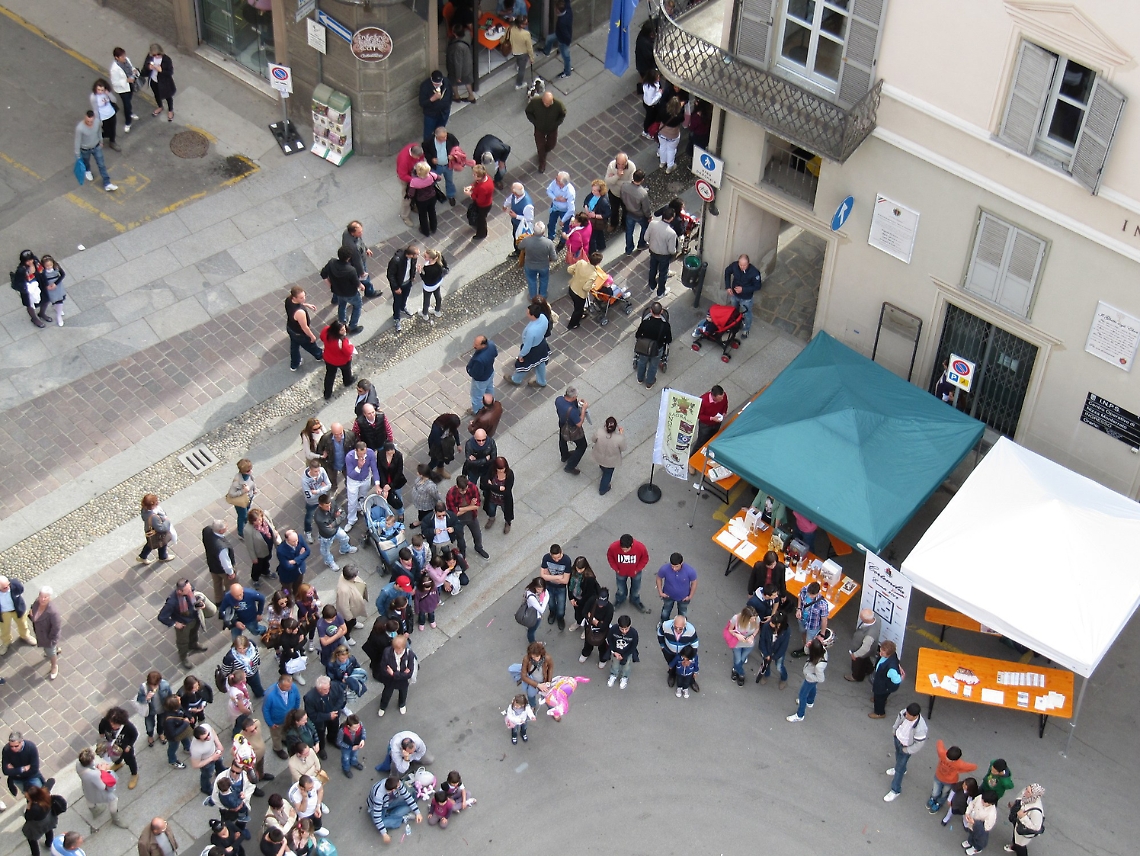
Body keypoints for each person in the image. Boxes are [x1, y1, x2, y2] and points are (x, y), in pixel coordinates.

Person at [883, 702, 929, 801]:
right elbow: (898, 720)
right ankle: (901, 769)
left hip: (906, 747)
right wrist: (894, 730)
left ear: (916, 716)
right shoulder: (904, 712)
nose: (906, 715)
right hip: (898, 739)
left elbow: (919, 744)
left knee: (899, 769)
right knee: (897, 756)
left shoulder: (921, 728)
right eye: (906, 713)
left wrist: (907, 750)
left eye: (909, 715)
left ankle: (895, 790)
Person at [76, 747, 128, 827]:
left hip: (87, 788)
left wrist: (98, 766)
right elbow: (102, 787)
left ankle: (95, 811)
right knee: (113, 799)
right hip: (97, 791)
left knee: (89, 799)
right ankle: (115, 819)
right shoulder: (94, 775)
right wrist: (103, 771)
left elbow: (92, 766)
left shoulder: (78, 765)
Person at [321, 248, 364, 333]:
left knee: (342, 304)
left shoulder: (331, 262)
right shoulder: (351, 270)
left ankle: (342, 321)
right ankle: (352, 327)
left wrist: (330, 285)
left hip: (337, 291)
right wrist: (362, 286)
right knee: (357, 306)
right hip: (350, 293)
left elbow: (323, 274)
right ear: (348, 258)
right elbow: (356, 283)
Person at [367, 776, 422, 842]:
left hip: (389, 801)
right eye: (398, 786)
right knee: (382, 823)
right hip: (378, 807)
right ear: (393, 790)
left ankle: (391, 816)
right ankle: (401, 818)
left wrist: (417, 812)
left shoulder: (394, 782)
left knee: (410, 804)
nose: (400, 785)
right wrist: (384, 834)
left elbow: (407, 796)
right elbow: (377, 817)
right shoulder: (378, 797)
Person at [508, 302, 551, 386]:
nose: (526, 314)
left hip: (532, 349)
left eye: (528, 313)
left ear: (533, 315)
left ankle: (516, 380)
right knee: (540, 362)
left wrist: (521, 355)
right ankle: (541, 381)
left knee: (524, 365)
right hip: (541, 344)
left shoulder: (531, 331)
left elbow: (527, 347)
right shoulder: (543, 317)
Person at [929, 740, 978, 813]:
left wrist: (960, 770)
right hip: (938, 777)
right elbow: (939, 744)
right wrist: (960, 771)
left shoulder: (960, 764)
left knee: (944, 793)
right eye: (947, 757)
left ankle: (939, 802)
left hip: (949, 782)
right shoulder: (942, 754)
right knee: (935, 791)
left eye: (950, 760)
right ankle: (933, 797)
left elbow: (973, 767)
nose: (947, 760)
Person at [74, 111, 117, 193]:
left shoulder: (97, 122)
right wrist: (78, 155)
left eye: (91, 121)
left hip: (96, 146)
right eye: (88, 121)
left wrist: (101, 141)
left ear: (94, 119)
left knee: (101, 164)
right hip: (85, 149)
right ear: (85, 118)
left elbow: (99, 132)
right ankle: (87, 170)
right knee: (86, 161)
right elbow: (77, 141)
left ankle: (107, 183)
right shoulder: (80, 128)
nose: (90, 123)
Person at [785, 637, 826, 721]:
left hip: (810, 678)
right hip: (812, 677)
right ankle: (810, 701)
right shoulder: (822, 652)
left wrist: (808, 675)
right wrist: (807, 646)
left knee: (802, 695)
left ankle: (800, 715)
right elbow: (807, 652)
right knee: (812, 688)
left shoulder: (819, 666)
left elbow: (821, 679)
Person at [525, 90, 566, 173]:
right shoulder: (535, 102)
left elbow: (563, 114)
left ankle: (544, 152)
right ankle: (542, 162)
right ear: (542, 100)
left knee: (552, 144)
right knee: (540, 146)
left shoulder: (558, 104)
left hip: (552, 128)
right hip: (539, 128)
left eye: (549, 103)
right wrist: (535, 122)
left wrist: (556, 124)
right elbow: (528, 111)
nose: (547, 105)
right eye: (546, 103)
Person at [607, 535, 650, 612]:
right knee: (621, 589)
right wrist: (616, 569)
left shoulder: (640, 547)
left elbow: (645, 558)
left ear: (632, 544)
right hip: (620, 572)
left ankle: (635, 600)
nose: (624, 552)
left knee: (636, 588)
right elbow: (610, 557)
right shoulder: (613, 547)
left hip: (635, 572)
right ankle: (620, 599)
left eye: (626, 550)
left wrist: (637, 569)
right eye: (622, 549)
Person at [634, 302, 672, 388]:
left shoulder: (645, 323)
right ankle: (649, 382)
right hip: (657, 348)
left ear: (651, 311)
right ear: (661, 311)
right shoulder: (665, 325)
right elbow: (669, 339)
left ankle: (640, 378)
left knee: (642, 362)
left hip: (644, 347)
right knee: (653, 365)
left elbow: (638, 335)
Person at [724, 254, 762, 339]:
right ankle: (735, 324)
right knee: (734, 311)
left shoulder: (754, 272)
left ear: (748, 263)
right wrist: (728, 286)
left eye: (744, 265)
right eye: (740, 265)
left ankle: (746, 329)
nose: (742, 267)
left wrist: (743, 289)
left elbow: (758, 286)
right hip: (734, 295)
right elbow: (727, 271)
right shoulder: (734, 266)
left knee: (747, 314)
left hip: (746, 298)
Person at [285, 287, 323, 371]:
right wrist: (312, 336)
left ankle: (295, 363)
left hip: (290, 328)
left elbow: (297, 304)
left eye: (304, 296)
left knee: (294, 346)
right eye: (301, 298)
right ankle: (319, 355)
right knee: (311, 346)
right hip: (300, 334)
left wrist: (306, 305)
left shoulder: (288, 299)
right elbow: (304, 327)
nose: (304, 299)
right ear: (294, 297)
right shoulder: (300, 312)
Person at [378, 632, 416, 716]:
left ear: (404, 647)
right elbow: (383, 669)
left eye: (400, 649)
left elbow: (409, 674)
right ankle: (383, 706)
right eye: (395, 649)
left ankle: (402, 704)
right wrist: (401, 674)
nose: (397, 651)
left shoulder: (410, 655)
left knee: (403, 693)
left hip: (400, 680)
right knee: (386, 694)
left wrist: (393, 674)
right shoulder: (387, 652)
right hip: (390, 680)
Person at [264, 674, 301, 760]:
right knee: (276, 735)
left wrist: (295, 711)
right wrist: (270, 723)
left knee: (286, 730)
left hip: (289, 718)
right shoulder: (270, 695)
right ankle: (277, 748)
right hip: (276, 721)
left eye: (290, 686)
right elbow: (265, 710)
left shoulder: (293, 687)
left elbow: (297, 698)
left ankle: (284, 739)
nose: (290, 688)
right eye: (287, 687)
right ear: (280, 685)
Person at [656, 613, 698, 688]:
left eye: (680, 628)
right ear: (673, 623)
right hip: (669, 651)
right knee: (671, 665)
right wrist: (662, 646)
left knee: (688, 667)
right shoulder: (666, 625)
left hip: (685, 654)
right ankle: (672, 676)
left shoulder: (691, 629)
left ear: (685, 625)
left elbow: (695, 644)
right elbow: (660, 634)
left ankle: (691, 680)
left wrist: (690, 658)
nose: (677, 630)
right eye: (675, 627)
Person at [385, 243, 420, 334]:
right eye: (416, 255)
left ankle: (403, 307)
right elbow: (390, 275)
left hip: (407, 282)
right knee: (397, 301)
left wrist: (412, 276)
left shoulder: (413, 259)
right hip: (398, 285)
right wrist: (396, 287)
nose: (417, 256)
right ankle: (396, 318)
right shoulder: (396, 260)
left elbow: (412, 267)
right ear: (410, 255)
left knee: (405, 297)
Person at [519, 222, 559, 299]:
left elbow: (520, 246)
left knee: (531, 281)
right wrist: (549, 259)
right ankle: (542, 296)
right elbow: (554, 258)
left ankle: (533, 297)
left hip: (530, 265)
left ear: (533, 230)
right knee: (544, 280)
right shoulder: (548, 243)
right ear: (543, 232)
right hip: (543, 265)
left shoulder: (527, 240)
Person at [423, 125, 460, 207]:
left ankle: (451, 195)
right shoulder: (429, 141)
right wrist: (431, 159)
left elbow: (456, 145)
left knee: (449, 181)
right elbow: (425, 151)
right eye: (442, 138)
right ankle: (430, 195)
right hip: (436, 166)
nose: (445, 139)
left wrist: (453, 155)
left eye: (445, 136)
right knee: (431, 181)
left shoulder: (450, 137)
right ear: (436, 136)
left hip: (448, 165)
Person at [656, 552, 698, 622]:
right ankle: (663, 624)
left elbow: (694, 583)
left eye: (676, 566)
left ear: (681, 563)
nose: (674, 569)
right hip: (668, 595)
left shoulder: (690, 571)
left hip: (684, 598)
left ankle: (682, 626)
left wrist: (690, 596)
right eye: (672, 566)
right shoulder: (664, 569)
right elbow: (658, 578)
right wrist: (660, 592)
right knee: (665, 611)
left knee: (683, 613)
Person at [29, 588, 61, 681]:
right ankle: (56, 649)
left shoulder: (53, 612)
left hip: (48, 638)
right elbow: (33, 608)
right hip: (40, 633)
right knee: (51, 649)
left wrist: (50, 640)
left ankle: (54, 666)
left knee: (50, 652)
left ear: (49, 598)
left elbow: (56, 627)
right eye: (41, 596)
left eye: (45, 597)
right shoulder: (37, 602)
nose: (42, 599)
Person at [645, 209, 679, 297]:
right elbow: (672, 250)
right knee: (663, 273)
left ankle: (652, 286)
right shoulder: (672, 233)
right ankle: (660, 292)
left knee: (652, 269)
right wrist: (675, 252)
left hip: (653, 251)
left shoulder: (652, 224)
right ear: (671, 218)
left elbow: (645, 238)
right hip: (664, 255)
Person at [555, 387, 588, 474]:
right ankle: (570, 466)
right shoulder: (572, 412)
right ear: (573, 397)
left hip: (562, 424)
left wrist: (577, 403)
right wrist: (584, 409)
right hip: (571, 428)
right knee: (582, 446)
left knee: (562, 439)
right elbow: (579, 423)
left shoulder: (558, 399)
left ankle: (564, 455)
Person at [341, 220, 378, 299]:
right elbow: (357, 261)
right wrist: (362, 272)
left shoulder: (347, 233)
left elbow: (360, 241)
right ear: (352, 233)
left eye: (361, 231)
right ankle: (369, 292)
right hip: (357, 263)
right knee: (365, 279)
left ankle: (336, 297)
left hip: (353, 261)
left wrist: (366, 248)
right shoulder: (354, 247)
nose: (361, 234)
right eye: (359, 232)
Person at [0, 576, 36, 655]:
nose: (7, 588)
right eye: (4, 588)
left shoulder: (14, 585)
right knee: (4, 629)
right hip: (4, 612)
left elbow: (21, 589)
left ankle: (25, 636)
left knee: (23, 624)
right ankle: (6, 641)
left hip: (17, 609)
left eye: (8, 585)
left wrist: (14, 583)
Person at [1006, 783, 1045, 854]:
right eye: (1027, 788)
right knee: (1016, 836)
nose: (1025, 792)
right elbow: (1021, 802)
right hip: (1018, 823)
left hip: (1024, 831)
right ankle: (1014, 846)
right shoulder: (1028, 798)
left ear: (1034, 795)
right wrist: (1015, 806)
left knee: (1021, 846)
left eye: (1028, 791)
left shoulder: (1036, 811)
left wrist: (1023, 817)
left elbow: (1036, 827)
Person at [792, 582, 829, 657]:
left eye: (813, 595)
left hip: (813, 626)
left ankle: (808, 652)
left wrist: (822, 634)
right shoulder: (804, 590)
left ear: (818, 593)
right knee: (803, 633)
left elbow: (824, 620)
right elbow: (800, 597)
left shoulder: (822, 604)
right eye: (809, 594)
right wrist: (799, 608)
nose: (810, 596)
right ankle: (805, 647)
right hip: (802, 619)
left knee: (810, 641)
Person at [591, 416, 627, 495]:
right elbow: (623, 448)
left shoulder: (599, 432)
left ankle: (602, 467)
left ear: (605, 425)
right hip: (610, 461)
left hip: (599, 456)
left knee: (602, 465)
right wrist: (621, 434)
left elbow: (593, 440)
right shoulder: (619, 439)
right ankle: (603, 489)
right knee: (607, 474)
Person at [868, 639, 903, 718]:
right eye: (881, 650)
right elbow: (896, 661)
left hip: (884, 686)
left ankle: (879, 713)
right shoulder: (893, 655)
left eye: (883, 652)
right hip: (883, 683)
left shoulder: (891, 669)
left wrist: (900, 677)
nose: (880, 653)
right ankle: (883, 699)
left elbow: (896, 680)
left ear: (889, 653)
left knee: (879, 698)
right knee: (881, 696)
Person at [579, 588, 614, 666]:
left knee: (602, 645)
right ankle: (586, 653)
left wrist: (593, 620)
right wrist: (598, 622)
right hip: (589, 627)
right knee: (588, 641)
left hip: (602, 631)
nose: (601, 605)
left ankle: (603, 659)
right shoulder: (592, 600)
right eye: (599, 602)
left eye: (603, 603)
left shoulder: (610, 608)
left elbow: (604, 626)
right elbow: (584, 612)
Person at [846, 608, 882, 683]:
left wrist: (855, 655)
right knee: (865, 660)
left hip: (860, 651)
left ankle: (857, 676)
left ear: (865, 620)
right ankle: (869, 669)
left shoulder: (870, 634)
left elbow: (865, 649)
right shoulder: (876, 619)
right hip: (870, 649)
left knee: (857, 664)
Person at [727, 605, 760, 686]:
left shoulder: (757, 619)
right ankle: (741, 674)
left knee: (742, 659)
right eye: (752, 618)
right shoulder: (736, 618)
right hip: (737, 643)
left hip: (749, 644)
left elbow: (757, 629)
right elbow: (730, 629)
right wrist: (737, 635)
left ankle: (735, 670)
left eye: (755, 618)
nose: (754, 620)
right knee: (738, 660)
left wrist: (752, 636)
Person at [621, 170, 652, 254]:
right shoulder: (643, 193)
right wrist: (649, 216)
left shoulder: (624, 185)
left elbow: (622, 197)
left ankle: (629, 249)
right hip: (639, 215)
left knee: (629, 231)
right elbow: (646, 208)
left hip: (629, 212)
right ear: (642, 180)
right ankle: (641, 244)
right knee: (645, 228)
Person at [756, 611, 791, 688]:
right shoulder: (766, 626)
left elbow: (783, 647)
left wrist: (774, 657)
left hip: (778, 653)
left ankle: (784, 678)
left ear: (779, 625)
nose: (770, 623)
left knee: (779, 667)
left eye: (773, 622)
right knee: (766, 664)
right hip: (767, 650)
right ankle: (766, 675)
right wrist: (766, 653)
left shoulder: (786, 631)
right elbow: (762, 640)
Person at [481, 456, 514, 534]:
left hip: (504, 500)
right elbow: (484, 483)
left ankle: (507, 523)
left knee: (507, 512)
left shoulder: (510, 474)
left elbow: (506, 491)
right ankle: (491, 519)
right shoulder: (492, 471)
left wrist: (491, 486)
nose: (501, 471)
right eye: (499, 469)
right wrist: (498, 488)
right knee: (491, 510)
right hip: (492, 498)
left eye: (503, 469)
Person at [142, 44, 176, 121]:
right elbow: (145, 65)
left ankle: (170, 110)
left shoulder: (166, 60)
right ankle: (160, 107)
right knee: (156, 95)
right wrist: (148, 67)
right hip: (154, 80)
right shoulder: (150, 57)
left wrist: (161, 71)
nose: (156, 56)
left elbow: (170, 72)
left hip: (164, 82)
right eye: (154, 55)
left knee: (168, 96)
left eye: (158, 54)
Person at [109, 48, 139, 135]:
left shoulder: (127, 60)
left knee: (129, 101)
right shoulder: (114, 69)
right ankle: (128, 122)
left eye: (124, 55)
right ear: (116, 58)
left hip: (130, 85)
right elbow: (115, 82)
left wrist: (134, 70)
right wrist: (126, 80)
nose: (124, 57)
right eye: (122, 56)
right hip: (123, 89)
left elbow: (130, 67)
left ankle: (130, 112)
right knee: (126, 104)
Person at [396, 142, 425, 227]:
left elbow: (421, 160)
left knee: (416, 194)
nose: (419, 158)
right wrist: (414, 180)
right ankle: (405, 216)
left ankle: (413, 206)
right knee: (407, 197)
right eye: (417, 157)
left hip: (415, 174)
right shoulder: (404, 160)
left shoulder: (418, 151)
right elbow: (403, 175)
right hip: (406, 178)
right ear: (412, 154)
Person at [466, 336, 498, 415]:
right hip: (490, 372)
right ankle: (491, 403)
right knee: (489, 389)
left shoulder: (479, 360)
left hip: (481, 380)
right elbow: (495, 354)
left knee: (476, 396)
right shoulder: (491, 344)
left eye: (476, 345)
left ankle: (477, 411)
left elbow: (476, 373)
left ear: (483, 345)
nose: (474, 346)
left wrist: (469, 370)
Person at [21, 785, 56, 856]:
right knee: (49, 830)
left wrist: (28, 806)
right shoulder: (45, 795)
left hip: (38, 824)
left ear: (33, 798)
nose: (26, 797)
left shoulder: (35, 808)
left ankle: (35, 854)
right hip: (48, 818)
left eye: (27, 797)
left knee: (32, 839)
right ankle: (49, 843)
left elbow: (28, 817)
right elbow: (51, 780)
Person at [409, 161, 441, 237]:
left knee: (422, 215)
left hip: (421, 200)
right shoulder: (432, 175)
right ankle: (433, 227)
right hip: (432, 197)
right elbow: (439, 178)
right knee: (432, 211)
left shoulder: (414, 181)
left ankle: (425, 231)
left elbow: (411, 193)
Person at [962, 789, 999, 855]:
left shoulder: (992, 813)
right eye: (982, 799)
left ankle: (977, 848)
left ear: (990, 803)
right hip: (972, 821)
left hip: (980, 829)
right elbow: (972, 804)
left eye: (984, 802)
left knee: (979, 839)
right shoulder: (980, 797)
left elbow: (987, 827)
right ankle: (970, 842)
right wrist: (967, 813)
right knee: (971, 833)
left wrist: (975, 823)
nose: (982, 801)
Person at [542, 0, 573, 78]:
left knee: (565, 56)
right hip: (559, 34)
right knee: (549, 39)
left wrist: (567, 43)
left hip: (562, 40)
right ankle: (546, 52)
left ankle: (567, 71)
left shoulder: (562, 22)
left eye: (556, 9)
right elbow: (567, 2)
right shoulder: (568, 11)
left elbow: (566, 35)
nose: (555, 10)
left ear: (558, 11)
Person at [418, 70, 453, 141]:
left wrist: (447, 105)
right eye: (435, 84)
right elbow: (422, 103)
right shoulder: (425, 86)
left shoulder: (446, 82)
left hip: (444, 113)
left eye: (439, 83)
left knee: (440, 131)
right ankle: (427, 149)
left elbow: (450, 94)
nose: (438, 85)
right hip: (431, 115)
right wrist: (432, 99)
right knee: (428, 134)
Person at [446, 24, 476, 102]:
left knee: (453, 81)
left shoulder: (457, 47)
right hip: (467, 65)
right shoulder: (467, 34)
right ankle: (471, 96)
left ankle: (456, 96)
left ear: (455, 33)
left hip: (459, 70)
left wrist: (458, 76)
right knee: (467, 81)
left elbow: (457, 62)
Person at [545, 172, 576, 245]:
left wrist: (563, 220)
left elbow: (571, 209)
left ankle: (562, 241)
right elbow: (548, 190)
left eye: (557, 179)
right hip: (555, 207)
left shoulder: (570, 192)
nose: (555, 179)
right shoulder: (555, 183)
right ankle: (550, 238)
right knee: (551, 224)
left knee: (566, 228)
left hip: (565, 211)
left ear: (562, 183)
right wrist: (555, 198)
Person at [465, 164, 495, 241]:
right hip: (485, 203)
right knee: (479, 218)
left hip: (483, 206)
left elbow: (480, 200)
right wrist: (471, 186)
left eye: (474, 174)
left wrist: (470, 195)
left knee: (481, 220)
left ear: (480, 176)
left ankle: (482, 234)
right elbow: (476, 183)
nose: (473, 175)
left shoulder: (483, 188)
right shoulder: (486, 178)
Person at [505, 15, 536, 90]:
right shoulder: (526, 34)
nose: (527, 24)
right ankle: (519, 84)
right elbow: (529, 47)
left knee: (518, 61)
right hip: (522, 53)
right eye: (525, 23)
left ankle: (517, 66)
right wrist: (531, 57)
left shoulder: (510, 28)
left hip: (514, 51)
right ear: (521, 25)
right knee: (522, 70)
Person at [656, 96, 685, 173]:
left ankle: (662, 162)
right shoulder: (679, 116)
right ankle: (670, 166)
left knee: (662, 147)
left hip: (662, 132)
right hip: (673, 135)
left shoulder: (663, 110)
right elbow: (682, 119)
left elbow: (658, 117)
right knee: (671, 150)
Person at [503, 182, 534, 249]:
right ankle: (517, 249)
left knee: (519, 239)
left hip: (521, 226)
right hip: (515, 222)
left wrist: (516, 216)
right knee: (514, 235)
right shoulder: (515, 195)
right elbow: (510, 199)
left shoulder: (527, 205)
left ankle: (519, 251)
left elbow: (529, 219)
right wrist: (505, 205)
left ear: (516, 193)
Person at [583, 180, 611, 253]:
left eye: (595, 190)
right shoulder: (593, 194)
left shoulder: (604, 201)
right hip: (592, 219)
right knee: (599, 233)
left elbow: (607, 214)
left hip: (597, 221)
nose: (593, 192)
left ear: (600, 191)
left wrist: (595, 215)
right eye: (592, 190)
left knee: (591, 238)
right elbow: (586, 200)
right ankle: (601, 246)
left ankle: (592, 253)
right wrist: (586, 208)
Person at [522, 578, 549, 644]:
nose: (540, 591)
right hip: (534, 616)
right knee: (532, 631)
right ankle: (533, 643)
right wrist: (546, 597)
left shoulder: (535, 592)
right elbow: (541, 609)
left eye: (541, 589)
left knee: (531, 629)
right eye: (538, 589)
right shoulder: (531, 597)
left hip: (535, 614)